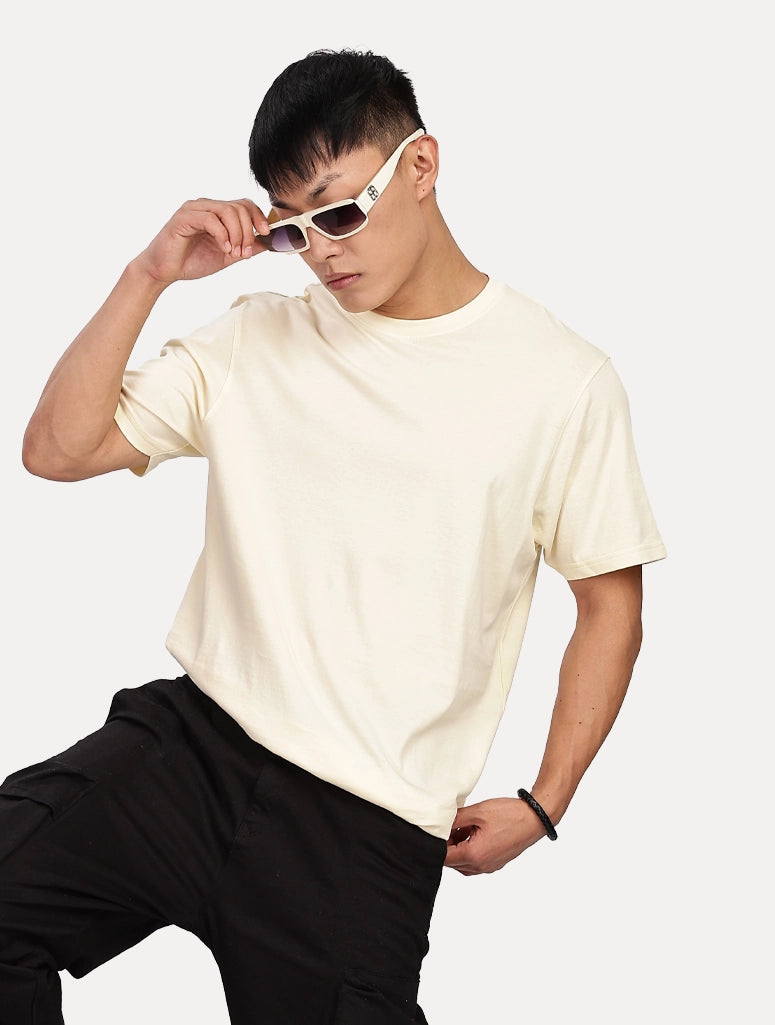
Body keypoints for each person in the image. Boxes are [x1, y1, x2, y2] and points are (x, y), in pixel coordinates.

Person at [1, 48, 666, 1025]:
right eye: (291, 229)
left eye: (339, 211)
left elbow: (609, 606)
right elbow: (57, 451)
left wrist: (545, 799)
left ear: (421, 166)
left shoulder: (560, 381)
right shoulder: (259, 335)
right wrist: (149, 275)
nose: (320, 250)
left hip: (361, 827)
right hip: (191, 748)